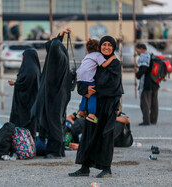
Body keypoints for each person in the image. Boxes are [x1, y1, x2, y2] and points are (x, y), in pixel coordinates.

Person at [69, 35, 124, 178]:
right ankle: (84, 167)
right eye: (104, 44)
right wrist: (85, 91)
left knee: (105, 136)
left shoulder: (114, 64)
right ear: (100, 46)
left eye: (109, 45)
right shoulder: (93, 60)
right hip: (93, 106)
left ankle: (106, 168)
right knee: (88, 135)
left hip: (107, 106)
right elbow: (82, 80)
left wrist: (94, 89)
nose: (106, 47)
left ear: (113, 47)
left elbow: (112, 85)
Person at [30, 27, 72, 159]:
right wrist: (59, 37)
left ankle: (55, 150)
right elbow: (52, 46)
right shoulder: (60, 58)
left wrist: (59, 36)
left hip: (56, 96)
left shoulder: (58, 58)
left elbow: (53, 46)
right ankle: (58, 150)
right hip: (58, 95)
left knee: (54, 122)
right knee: (57, 121)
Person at [76, 39, 116, 123]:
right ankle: (91, 114)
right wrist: (112, 58)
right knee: (93, 95)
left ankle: (82, 111)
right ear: (98, 47)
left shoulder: (88, 55)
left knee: (86, 94)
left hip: (80, 77)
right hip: (88, 78)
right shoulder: (97, 55)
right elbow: (104, 64)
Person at [8, 48, 41, 138]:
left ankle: (28, 148)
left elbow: (26, 84)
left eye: (24, 56)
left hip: (27, 104)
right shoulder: (32, 68)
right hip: (29, 102)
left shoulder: (31, 70)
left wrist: (15, 83)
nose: (22, 58)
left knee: (27, 127)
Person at [135, 43, 159, 126]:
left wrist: (137, 75)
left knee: (145, 103)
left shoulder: (144, 56)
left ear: (141, 49)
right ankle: (153, 120)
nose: (136, 52)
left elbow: (144, 69)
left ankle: (146, 121)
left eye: (136, 50)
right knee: (154, 102)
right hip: (155, 82)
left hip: (147, 84)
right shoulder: (151, 55)